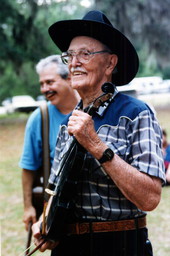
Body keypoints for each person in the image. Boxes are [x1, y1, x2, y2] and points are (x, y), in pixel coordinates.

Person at [32, 10, 166, 256]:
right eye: (70, 56)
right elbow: (55, 188)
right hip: (68, 248)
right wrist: (45, 223)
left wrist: (96, 145)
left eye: (85, 53)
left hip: (121, 245)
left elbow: (150, 198)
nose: (74, 63)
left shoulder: (136, 113)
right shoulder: (69, 122)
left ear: (110, 63)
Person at [19, 55, 79, 231]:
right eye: (42, 84)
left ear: (69, 78)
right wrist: (28, 207)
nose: (45, 89)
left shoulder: (90, 108)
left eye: (50, 82)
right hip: (58, 212)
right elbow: (28, 166)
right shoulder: (39, 118)